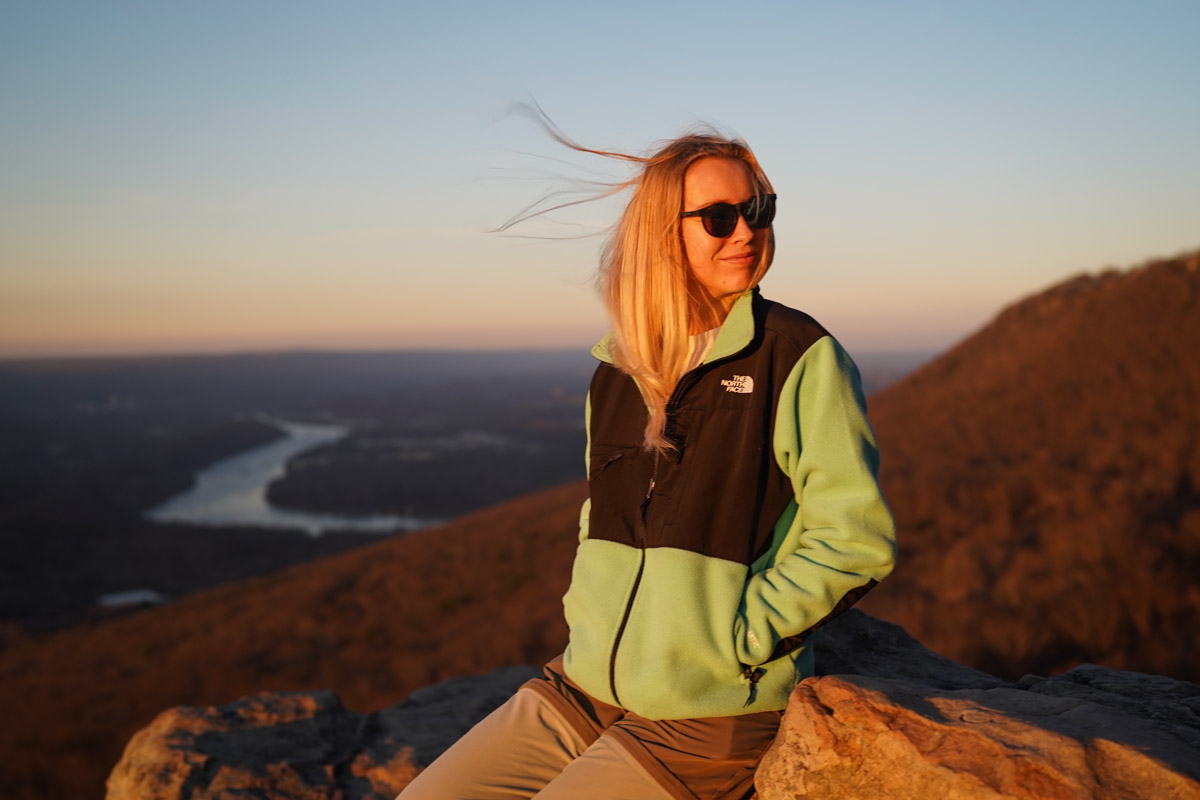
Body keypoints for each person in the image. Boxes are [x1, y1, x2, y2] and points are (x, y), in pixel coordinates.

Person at [397, 127, 896, 800]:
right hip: (586, 684)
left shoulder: (798, 357)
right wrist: (590, 613)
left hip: (707, 711)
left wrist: (739, 638)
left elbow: (853, 540)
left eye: (759, 210)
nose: (746, 232)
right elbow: (598, 512)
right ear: (665, 232)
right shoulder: (618, 369)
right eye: (720, 218)